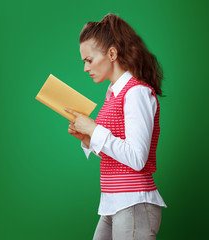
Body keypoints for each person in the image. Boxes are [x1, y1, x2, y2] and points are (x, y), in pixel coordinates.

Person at [64, 13, 167, 240]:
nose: (85, 68)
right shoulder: (112, 94)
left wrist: (93, 130)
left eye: (88, 60)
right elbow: (118, 155)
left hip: (133, 202)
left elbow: (137, 158)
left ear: (112, 53)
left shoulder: (136, 92)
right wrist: (87, 138)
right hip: (114, 201)